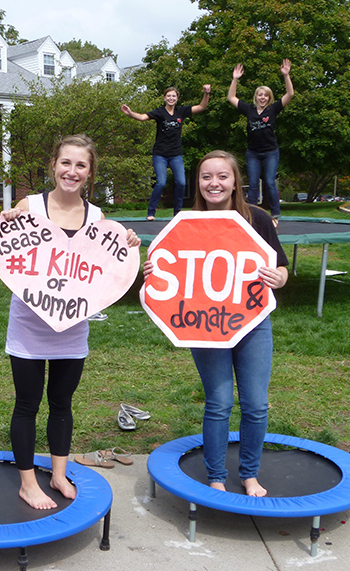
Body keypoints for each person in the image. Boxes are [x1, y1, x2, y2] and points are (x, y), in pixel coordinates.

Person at [2, 134, 141, 510]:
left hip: (72, 328)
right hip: (29, 326)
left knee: (62, 403)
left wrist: (125, 244)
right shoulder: (29, 205)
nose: (72, 171)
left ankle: (59, 474)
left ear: (90, 172)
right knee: (27, 404)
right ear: (54, 165)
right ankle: (28, 483)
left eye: (81, 165)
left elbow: (106, 270)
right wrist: (8, 222)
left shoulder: (97, 217)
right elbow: (8, 252)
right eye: (66, 163)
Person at [143, 150, 288, 497]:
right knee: (219, 402)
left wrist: (279, 279)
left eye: (222, 176)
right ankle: (216, 476)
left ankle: (249, 474)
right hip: (204, 325)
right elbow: (168, 267)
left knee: (256, 403)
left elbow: (281, 267)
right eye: (206, 176)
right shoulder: (186, 222)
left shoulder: (258, 219)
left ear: (236, 180)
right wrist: (152, 273)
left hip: (252, 322)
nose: (214, 183)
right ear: (198, 182)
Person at [121, 84, 212, 220]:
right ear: (164, 98)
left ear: (177, 98)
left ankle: (177, 213)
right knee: (161, 182)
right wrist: (130, 113)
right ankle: (151, 212)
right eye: (168, 96)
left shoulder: (181, 112)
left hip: (176, 154)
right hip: (160, 154)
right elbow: (142, 117)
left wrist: (206, 93)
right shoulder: (159, 112)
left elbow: (201, 107)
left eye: (173, 96)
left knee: (181, 182)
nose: (171, 98)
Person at [227, 59, 294, 221]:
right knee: (253, 185)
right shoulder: (249, 109)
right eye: (260, 94)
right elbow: (231, 97)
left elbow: (290, 94)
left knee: (270, 183)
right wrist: (235, 79)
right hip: (253, 152)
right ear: (256, 97)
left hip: (270, 151)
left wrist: (286, 75)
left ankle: (275, 215)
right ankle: (251, 215)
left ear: (269, 98)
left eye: (265, 95)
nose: (262, 97)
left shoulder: (273, 109)